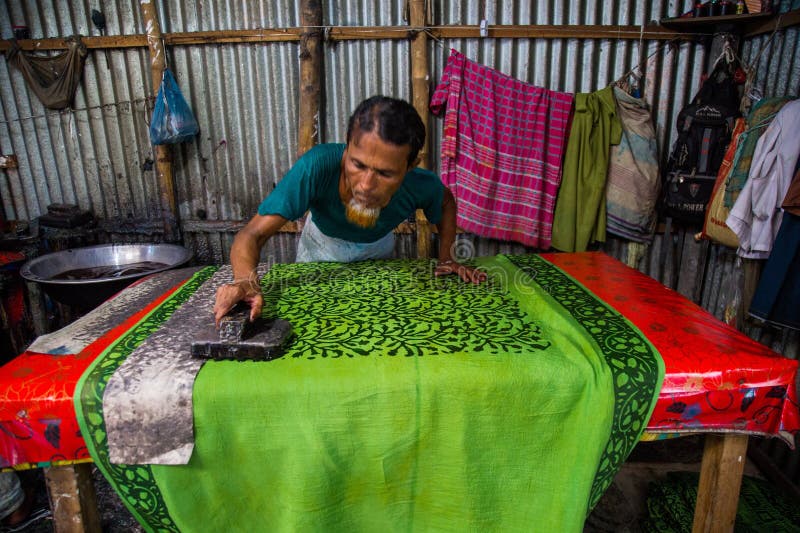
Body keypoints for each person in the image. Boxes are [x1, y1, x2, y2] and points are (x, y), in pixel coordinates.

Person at [214, 95, 486, 324]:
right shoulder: (316, 167)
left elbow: (446, 202)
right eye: (358, 165)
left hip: (377, 251)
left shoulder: (419, 184)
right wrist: (245, 283)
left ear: (409, 168)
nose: (366, 185)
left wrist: (447, 258)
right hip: (319, 249)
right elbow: (251, 235)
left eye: (385, 173)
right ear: (346, 148)